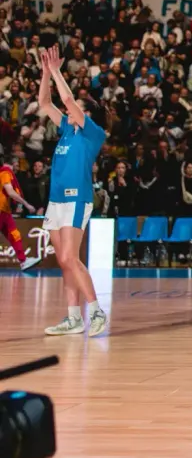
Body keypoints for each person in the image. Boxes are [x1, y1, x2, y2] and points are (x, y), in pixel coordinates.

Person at [37, 46, 108, 336]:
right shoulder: (67, 128)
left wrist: (55, 69)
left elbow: (65, 98)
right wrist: (44, 73)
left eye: (78, 108)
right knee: (63, 260)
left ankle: (96, 311)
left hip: (77, 199)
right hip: (55, 201)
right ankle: (73, 318)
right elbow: (45, 103)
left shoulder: (93, 133)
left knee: (70, 257)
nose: (71, 108)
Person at [0, 158, 39, 270]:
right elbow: (10, 192)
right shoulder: (5, 172)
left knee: (14, 235)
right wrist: (26, 204)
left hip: (5, 210)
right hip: (1, 210)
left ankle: (23, 261)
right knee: (14, 235)